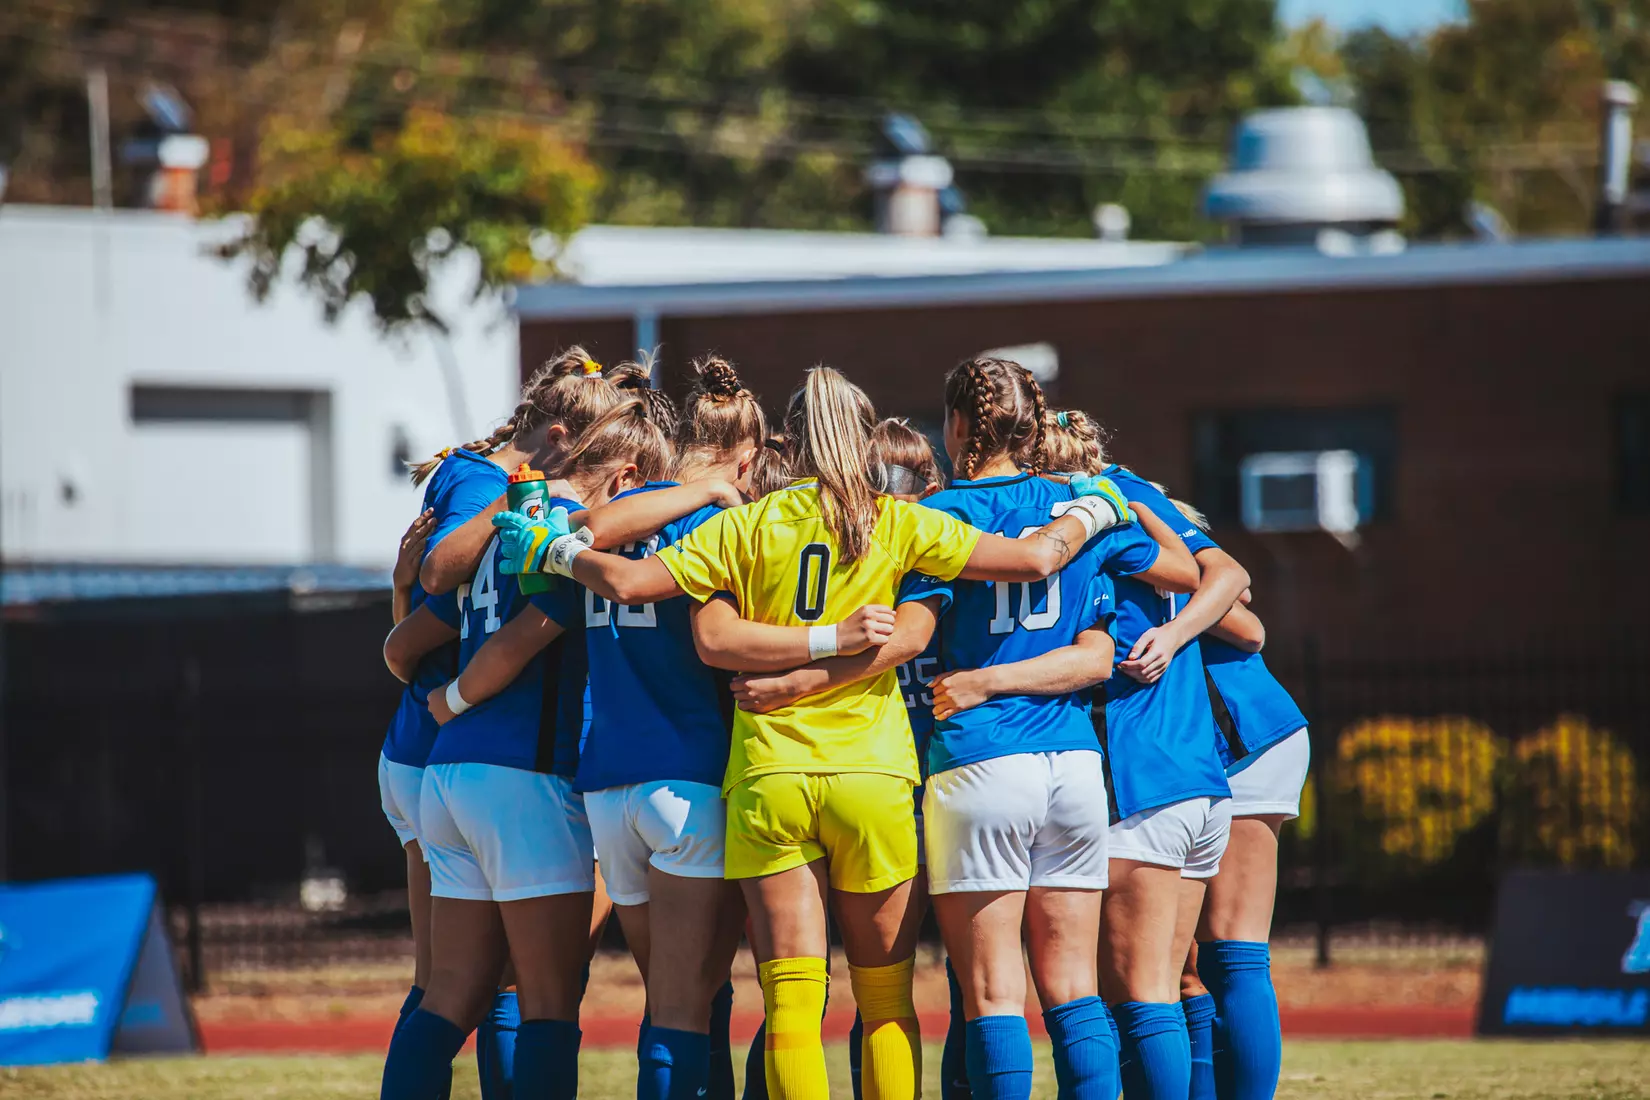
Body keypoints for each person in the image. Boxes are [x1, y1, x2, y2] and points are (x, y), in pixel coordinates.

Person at [494, 366, 1135, 1100]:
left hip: (771, 774)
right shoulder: (898, 521)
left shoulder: (747, 523)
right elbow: (1033, 558)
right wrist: (1095, 508)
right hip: (874, 776)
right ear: (864, 437)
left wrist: (555, 550)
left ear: (789, 443)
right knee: (885, 1001)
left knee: (792, 1009)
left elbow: (639, 590)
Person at [914, 361, 1199, 1100]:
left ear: (957, 425)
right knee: (1074, 989)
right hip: (1072, 764)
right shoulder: (1077, 506)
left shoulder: (935, 512)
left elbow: (908, 635)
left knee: (992, 992)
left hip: (981, 757)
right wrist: (1114, 501)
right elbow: (1179, 575)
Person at [377, 398, 663, 1100]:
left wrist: (444, 691)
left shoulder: (499, 528)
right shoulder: (569, 537)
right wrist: (460, 696)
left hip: (447, 778)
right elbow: (523, 638)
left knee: (451, 993)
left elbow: (403, 645)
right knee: (547, 1003)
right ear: (625, 477)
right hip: (524, 776)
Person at [1044, 408, 1251, 1100]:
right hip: (1198, 781)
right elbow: (1226, 579)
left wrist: (1170, 636)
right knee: (1170, 985)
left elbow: (1229, 588)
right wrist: (1179, 631)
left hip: (1142, 780)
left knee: (1139, 996)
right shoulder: (1137, 502)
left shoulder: (1090, 524)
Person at [1170, 501, 1309, 1100]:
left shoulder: (1147, 555)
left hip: (1243, 741)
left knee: (1231, 952)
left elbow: (1249, 629)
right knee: (1184, 966)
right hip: (1203, 753)